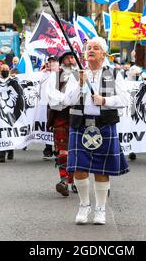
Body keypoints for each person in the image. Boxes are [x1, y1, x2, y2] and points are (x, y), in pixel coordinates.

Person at [51, 37, 130, 225]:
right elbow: (67, 101)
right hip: (80, 125)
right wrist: (80, 84)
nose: (91, 51)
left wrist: (105, 101)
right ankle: (84, 206)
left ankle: (100, 209)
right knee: (79, 168)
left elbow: (126, 100)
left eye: (96, 48)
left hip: (104, 125)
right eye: (88, 48)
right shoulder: (76, 75)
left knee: (102, 169)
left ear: (103, 54)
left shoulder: (113, 74)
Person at [47, 51, 78, 196]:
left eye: (72, 57)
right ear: (62, 61)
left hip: (79, 117)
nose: (71, 60)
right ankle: (64, 180)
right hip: (62, 117)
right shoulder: (55, 76)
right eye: (67, 58)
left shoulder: (82, 75)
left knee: (77, 152)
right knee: (63, 151)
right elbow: (51, 95)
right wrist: (66, 100)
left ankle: (75, 181)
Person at [0, 63, 15, 162]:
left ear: (9, 70)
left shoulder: (13, 80)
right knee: (0, 132)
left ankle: (10, 149)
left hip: (10, 111)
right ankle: (1, 154)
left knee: (9, 131)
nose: (4, 70)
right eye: (3, 69)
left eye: (6, 69)